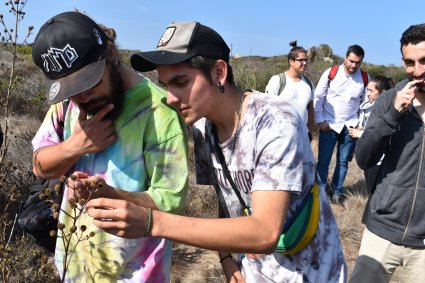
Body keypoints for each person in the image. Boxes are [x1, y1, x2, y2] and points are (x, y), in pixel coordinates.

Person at [85, 21, 346, 282]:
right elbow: (227, 199)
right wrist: (226, 258)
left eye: (181, 82)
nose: (170, 98)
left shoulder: (275, 120)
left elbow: (265, 232)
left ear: (219, 72)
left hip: (311, 271)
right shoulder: (202, 127)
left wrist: (155, 223)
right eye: (166, 85)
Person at [31, 12, 188, 282]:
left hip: (136, 274)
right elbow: (39, 166)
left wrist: (111, 194)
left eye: (88, 82)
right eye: (71, 89)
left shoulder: (159, 111)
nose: (82, 97)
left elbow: (172, 204)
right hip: (73, 268)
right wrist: (75, 147)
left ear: (111, 54)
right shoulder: (67, 104)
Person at [349, 23, 425, 283]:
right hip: (382, 229)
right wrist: (393, 114)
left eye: (424, 61)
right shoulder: (387, 100)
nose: (418, 71)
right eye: (410, 63)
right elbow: (364, 158)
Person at [314, 44, 368, 205]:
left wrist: (360, 125)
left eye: (357, 62)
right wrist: (320, 120)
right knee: (324, 161)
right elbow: (318, 96)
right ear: (345, 58)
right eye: (351, 61)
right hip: (329, 124)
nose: (353, 65)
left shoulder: (364, 78)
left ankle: (337, 192)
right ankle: (320, 191)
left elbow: (365, 104)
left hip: (350, 126)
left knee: (343, 162)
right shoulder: (332, 73)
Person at [348, 76, 393, 195]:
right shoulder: (367, 106)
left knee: (375, 193)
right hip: (369, 155)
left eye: (371, 91)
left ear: (383, 93)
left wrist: (361, 134)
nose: (367, 94)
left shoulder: (388, 110)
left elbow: (382, 134)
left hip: (379, 159)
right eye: (367, 90)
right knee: (370, 190)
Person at [265, 42, 315, 140]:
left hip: (303, 136)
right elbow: (267, 108)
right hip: (280, 137)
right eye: (301, 60)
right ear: (291, 61)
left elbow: (310, 109)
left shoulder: (309, 84)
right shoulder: (277, 80)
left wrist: (310, 132)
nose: (304, 63)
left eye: (306, 60)